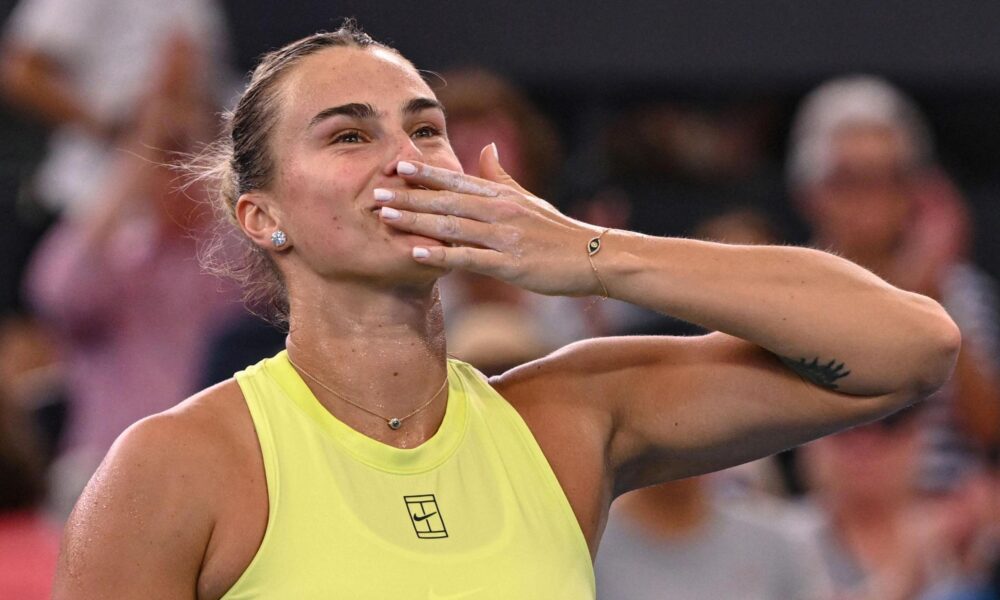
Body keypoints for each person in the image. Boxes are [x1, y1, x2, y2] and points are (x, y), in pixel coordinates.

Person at [53, 24, 960, 599]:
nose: (407, 159)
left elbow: (914, 345)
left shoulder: (563, 422)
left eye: (426, 128)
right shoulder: (174, 467)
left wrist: (592, 256)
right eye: (350, 134)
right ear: (262, 216)